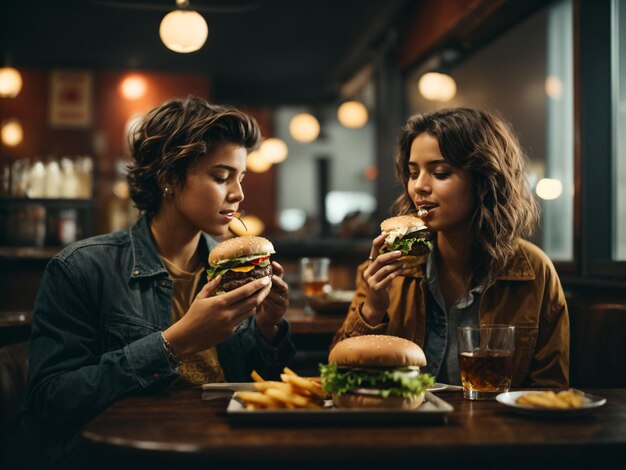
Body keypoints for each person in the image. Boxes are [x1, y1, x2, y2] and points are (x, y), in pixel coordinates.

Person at [10, 96, 295, 469]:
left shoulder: (237, 267)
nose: (238, 194)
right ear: (168, 179)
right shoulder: (82, 268)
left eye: (241, 178)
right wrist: (175, 342)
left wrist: (268, 329)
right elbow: (50, 404)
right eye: (221, 177)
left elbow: (259, 391)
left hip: (223, 450)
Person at [332, 107, 569, 388]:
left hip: (498, 428)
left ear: (483, 181)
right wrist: (373, 308)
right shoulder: (388, 267)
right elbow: (340, 376)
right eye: (412, 172)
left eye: (440, 173)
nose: (419, 186)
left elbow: (550, 388)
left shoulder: (533, 271)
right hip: (408, 424)